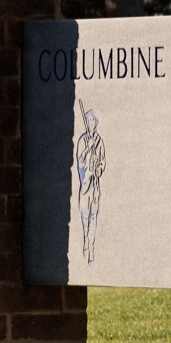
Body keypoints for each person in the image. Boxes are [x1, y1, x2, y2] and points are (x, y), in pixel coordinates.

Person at [76, 106, 105, 264]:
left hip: (95, 185)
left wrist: (99, 168)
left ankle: (91, 249)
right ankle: (86, 241)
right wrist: (88, 147)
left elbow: (102, 160)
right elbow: (80, 161)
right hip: (85, 185)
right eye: (89, 120)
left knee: (94, 216)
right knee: (84, 216)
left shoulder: (100, 141)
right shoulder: (83, 140)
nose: (91, 123)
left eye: (94, 120)